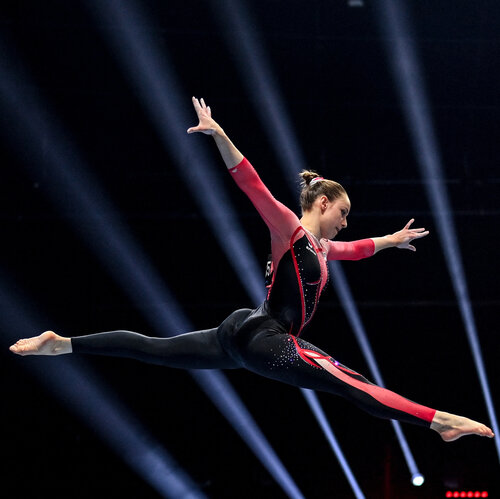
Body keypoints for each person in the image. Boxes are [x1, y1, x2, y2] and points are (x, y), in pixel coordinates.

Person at [10, 97, 494, 443]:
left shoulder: (323, 250)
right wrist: (220, 134)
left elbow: (357, 249)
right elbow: (253, 184)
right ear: (322, 203)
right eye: (341, 213)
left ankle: (64, 344)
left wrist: (391, 240)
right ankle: (438, 420)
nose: (345, 223)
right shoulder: (291, 229)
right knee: (352, 384)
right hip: (268, 340)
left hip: (240, 333)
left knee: (155, 350)